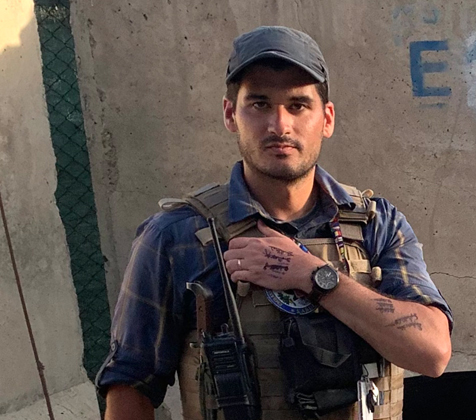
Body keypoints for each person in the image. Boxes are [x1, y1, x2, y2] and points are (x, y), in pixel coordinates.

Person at [96, 26, 452, 420]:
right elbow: (129, 387)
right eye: (260, 104)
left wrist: (313, 277)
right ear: (231, 114)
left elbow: (432, 353)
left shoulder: (375, 224)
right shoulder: (177, 237)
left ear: (326, 119)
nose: (279, 125)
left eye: (298, 105)